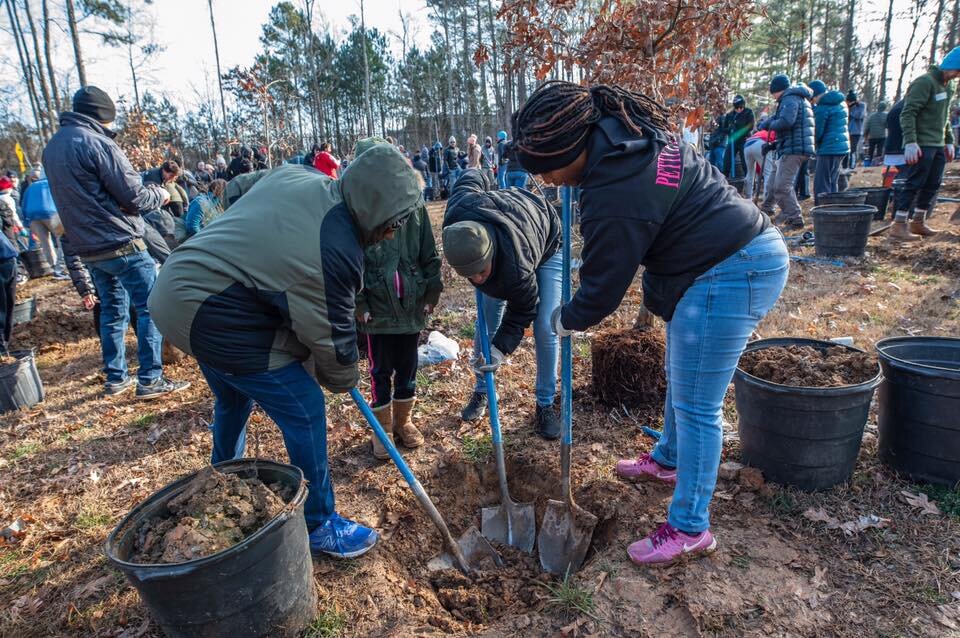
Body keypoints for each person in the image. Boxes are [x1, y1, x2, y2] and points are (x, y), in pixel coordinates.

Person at [512, 81, 788, 566]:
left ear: (571, 147)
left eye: (550, 170)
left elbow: (602, 288)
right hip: (723, 257)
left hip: (731, 267)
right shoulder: (627, 135)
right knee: (687, 377)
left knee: (699, 404)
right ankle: (668, 460)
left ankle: (690, 527)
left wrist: (566, 318)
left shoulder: (615, 187)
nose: (552, 182)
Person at [148, 145, 421, 558]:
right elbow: (331, 335)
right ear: (375, 207)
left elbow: (237, 190)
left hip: (176, 287)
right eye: (394, 222)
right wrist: (341, 378)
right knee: (304, 405)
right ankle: (318, 523)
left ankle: (221, 479)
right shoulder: (336, 247)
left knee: (234, 395)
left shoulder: (304, 178)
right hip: (211, 311)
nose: (394, 232)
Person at [42, 86, 188, 399]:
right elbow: (134, 196)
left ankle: (116, 376)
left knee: (112, 311)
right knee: (152, 307)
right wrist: (159, 195)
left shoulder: (52, 147)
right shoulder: (98, 143)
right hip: (120, 239)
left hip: (88, 247)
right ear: (103, 115)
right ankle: (150, 378)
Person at [442, 169, 562, 438]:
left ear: (490, 253)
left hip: (547, 242)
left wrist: (500, 350)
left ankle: (545, 404)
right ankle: (482, 390)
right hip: (510, 225)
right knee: (486, 315)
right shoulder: (459, 213)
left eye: (481, 271)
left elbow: (523, 310)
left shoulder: (515, 266)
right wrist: (482, 170)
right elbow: (471, 177)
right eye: (468, 275)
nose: (476, 279)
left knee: (545, 325)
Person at [353, 137, 443, 459]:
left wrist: (431, 289)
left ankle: (403, 422)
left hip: (410, 306)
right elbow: (352, 265)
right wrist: (360, 303)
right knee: (380, 371)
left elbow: (428, 254)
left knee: (408, 366)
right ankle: (382, 430)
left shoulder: (414, 204)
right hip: (377, 313)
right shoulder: (358, 212)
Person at [890, 47, 960, 241]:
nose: (957, 76)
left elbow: (944, 116)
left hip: (937, 143)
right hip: (922, 142)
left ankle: (918, 221)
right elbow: (908, 112)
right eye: (957, 70)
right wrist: (911, 141)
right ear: (950, 65)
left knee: (933, 183)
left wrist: (948, 141)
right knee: (914, 183)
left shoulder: (949, 86)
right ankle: (899, 224)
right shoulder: (924, 82)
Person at [757, 74, 815, 230]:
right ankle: (773, 209)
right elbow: (793, 129)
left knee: (782, 186)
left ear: (777, 90)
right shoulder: (792, 99)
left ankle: (795, 218)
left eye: (773, 93)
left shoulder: (790, 98)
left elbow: (786, 122)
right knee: (773, 182)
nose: (773, 97)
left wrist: (768, 123)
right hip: (789, 147)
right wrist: (773, 145)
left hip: (794, 150)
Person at [809, 80, 850, 205]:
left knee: (822, 182)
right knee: (832, 180)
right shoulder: (840, 102)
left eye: (812, 99)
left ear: (815, 95)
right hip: (841, 146)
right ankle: (833, 206)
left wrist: (813, 143)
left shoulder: (823, 106)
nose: (812, 102)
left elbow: (818, 130)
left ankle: (823, 209)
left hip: (829, 147)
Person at [20, 175, 66, 277]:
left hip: (32, 216)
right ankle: (61, 267)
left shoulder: (30, 187)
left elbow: (23, 203)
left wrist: (26, 223)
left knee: (45, 243)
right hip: (50, 213)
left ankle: (53, 266)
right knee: (62, 240)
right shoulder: (50, 183)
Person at [722, 95, 755, 179]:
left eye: (741, 107)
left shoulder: (748, 112)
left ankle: (750, 182)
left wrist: (738, 132)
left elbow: (750, 126)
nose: (739, 109)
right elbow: (724, 128)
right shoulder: (730, 115)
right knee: (727, 161)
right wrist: (730, 129)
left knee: (745, 162)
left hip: (744, 140)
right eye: (737, 108)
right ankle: (724, 180)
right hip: (732, 140)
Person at [742, 129, 776, 203]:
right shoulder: (775, 132)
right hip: (760, 143)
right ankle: (766, 200)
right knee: (768, 173)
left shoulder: (761, 132)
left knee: (750, 173)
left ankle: (748, 199)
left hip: (747, 144)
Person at [882, 100, 906, 189]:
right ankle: (898, 196)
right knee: (905, 176)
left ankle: (895, 195)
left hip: (893, 146)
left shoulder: (898, 106)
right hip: (900, 147)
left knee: (903, 174)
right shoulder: (905, 107)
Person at [0, 230, 16, 354]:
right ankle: (4, 347)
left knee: (4, 309)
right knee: (7, 308)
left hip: (5, 258)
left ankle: (2, 351)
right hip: (8, 257)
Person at [846, 91, 866, 168]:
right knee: (847, 149)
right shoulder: (847, 107)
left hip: (856, 132)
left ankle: (852, 165)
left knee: (853, 149)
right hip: (847, 131)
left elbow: (859, 115)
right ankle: (846, 164)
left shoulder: (861, 106)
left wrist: (852, 108)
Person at [865, 102, 888, 166]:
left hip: (872, 136)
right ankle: (877, 163)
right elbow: (887, 125)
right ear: (884, 108)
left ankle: (869, 162)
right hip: (881, 136)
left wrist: (865, 136)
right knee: (879, 149)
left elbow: (867, 127)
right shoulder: (886, 115)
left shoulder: (871, 116)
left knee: (871, 150)